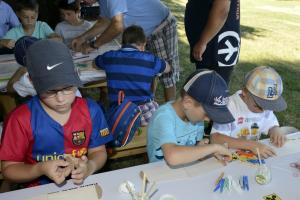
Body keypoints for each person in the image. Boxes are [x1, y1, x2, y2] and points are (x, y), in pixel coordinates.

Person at [0, 40, 113, 187]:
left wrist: (90, 166)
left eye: (67, 88)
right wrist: (39, 168)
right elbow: (9, 169)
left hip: (81, 184)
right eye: (50, 91)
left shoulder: (91, 110)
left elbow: (98, 152)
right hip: (38, 189)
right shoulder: (20, 119)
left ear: (77, 75)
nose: (60, 99)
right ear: (32, 82)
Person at [72, 0, 180, 101]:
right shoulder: (103, 2)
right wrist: (82, 38)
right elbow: (104, 22)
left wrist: (94, 45)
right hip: (141, 34)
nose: (82, 2)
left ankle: (171, 116)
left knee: (167, 77)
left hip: (161, 26)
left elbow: (117, 25)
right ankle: (147, 101)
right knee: (145, 70)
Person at [147, 69, 233, 166]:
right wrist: (214, 148)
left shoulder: (196, 118)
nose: (208, 120)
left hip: (185, 171)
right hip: (158, 174)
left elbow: (194, 148)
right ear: (187, 103)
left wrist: (203, 150)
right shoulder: (163, 117)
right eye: (207, 114)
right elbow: (172, 156)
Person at [94, 25, 171, 126]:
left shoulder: (109, 57)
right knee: (158, 112)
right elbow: (168, 68)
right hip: (144, 113)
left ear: (123, 43)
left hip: (119, 113)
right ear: (143, 45)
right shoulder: (150, 59)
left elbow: (95, 63)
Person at [210, 66, 288, 159]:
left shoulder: (264, 108)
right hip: (226, 157)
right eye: (258, 106)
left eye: (267, 106)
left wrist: (275, 130)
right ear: (244, 92)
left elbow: (270, 123)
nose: (263, 111)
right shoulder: (228, 107)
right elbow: (215, 138)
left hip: (248, 157)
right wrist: (251, 145)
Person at [184, 0, 240, 84]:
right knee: (206, 84)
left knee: (212, 89)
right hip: (213, 43)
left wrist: (203, 41)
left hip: (217, 45)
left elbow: (222, 9)